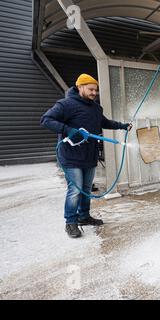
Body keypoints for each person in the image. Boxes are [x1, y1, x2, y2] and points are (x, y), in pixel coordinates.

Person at [41, 73, 132, 238]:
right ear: (80, 87)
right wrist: (68, 130)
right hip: (71, 156)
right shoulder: (66, 105)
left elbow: (104, 122)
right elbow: (46, 119)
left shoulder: (96, 108)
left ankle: (84, 216)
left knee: (85, 189)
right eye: (90, 89)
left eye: (95, 90)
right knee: (75, 190)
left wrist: (122, 126)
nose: (94, 93)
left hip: (89, 155)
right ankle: (70, 222)